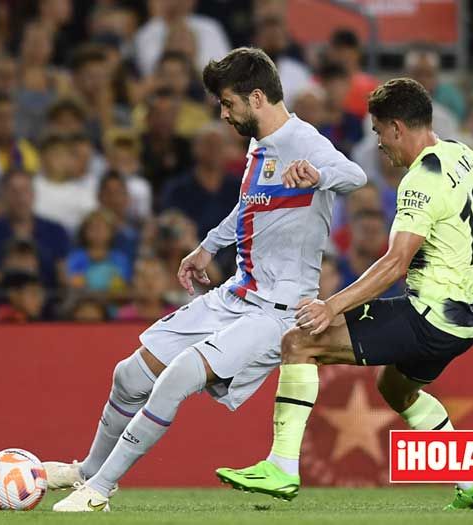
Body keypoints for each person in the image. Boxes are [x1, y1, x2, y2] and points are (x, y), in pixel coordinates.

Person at [46, 47, 366, 512]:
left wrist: (319, 175)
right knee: (129, 375)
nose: (223, 113)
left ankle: (101, 490)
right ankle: (88, 470)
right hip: (237, 293)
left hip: (277, 310)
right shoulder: (260, 144)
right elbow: (250, 204)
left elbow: (353, 175)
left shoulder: (304, 141)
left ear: (257, 98)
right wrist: (208, 247)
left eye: (228, 102)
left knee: (177, 378)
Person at [216, 78, 473, 511]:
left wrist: (329, 306)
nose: (380, 144)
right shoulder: (462, 155)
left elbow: (394, 264)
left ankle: (281, 467)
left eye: (378, 132)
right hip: (466, 321)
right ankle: (471, 479)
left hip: (428, 315)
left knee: (300, 341)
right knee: (396, 390)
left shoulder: (420, 181)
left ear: (397, 128)